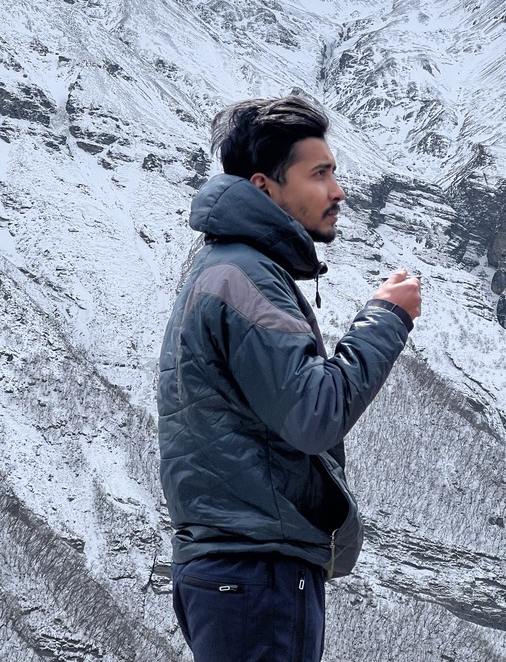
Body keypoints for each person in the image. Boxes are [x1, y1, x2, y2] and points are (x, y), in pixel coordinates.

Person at [157, 94, 421, 662]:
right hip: (257, 572)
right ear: (264, 187)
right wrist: (387, 319)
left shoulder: (223, 266)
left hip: (233, 569)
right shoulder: (245, 276)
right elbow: (312, 414)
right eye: (319, 173)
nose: (337, 191)